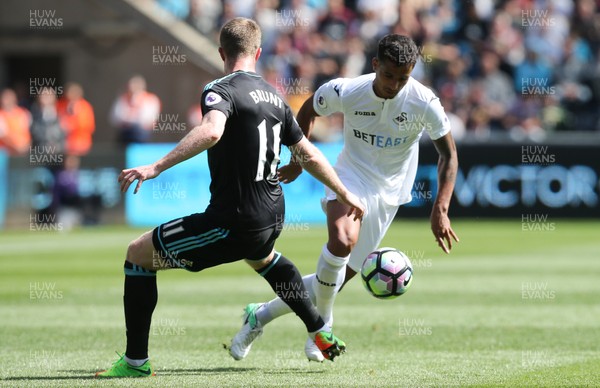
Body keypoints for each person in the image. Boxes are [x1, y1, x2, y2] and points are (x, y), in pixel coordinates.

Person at [96, 17, 364, 378]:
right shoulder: (275, 96)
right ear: (258, 52)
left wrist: (156, 166)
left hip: (234, 219)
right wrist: (345, 193)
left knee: (137, 256)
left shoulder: (218, 90)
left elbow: (210, 132)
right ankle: (319, 330)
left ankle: (135, 363)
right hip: (273, 213)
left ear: (221, 52)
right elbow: (310, 154)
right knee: (263, 257)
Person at [230, 34, 459, 362]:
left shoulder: (424, 102)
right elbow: (308, 109)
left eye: (403, 78)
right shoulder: (347, 90)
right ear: (376, 64)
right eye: (389, 75)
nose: (395, 85)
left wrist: (441, 208)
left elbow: (449, 155)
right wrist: (298, 158)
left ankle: (260, 315)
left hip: (390, 192)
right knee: (341, 239)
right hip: (350, 176)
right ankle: (320, 330)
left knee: (332, 280)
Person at [109, 75, 161, 145]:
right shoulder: (123, 98)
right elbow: (115, 117)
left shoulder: (150, 99)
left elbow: (147, 120)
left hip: (142, 134)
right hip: (125, 132)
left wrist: (133, 114)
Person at [57, 82, 95, 157]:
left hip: (81, 144)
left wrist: (73, 123)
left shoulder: (85, 106)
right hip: (64, 144)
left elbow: (89, 126)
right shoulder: (60, 104)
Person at [0, 88, 31, 156]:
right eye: (5, 98)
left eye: (9, 98)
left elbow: (28, 132)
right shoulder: (1, 114)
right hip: (5, 153)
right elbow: (3, 136)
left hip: (24, 151)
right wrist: (17, 147)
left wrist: (25, 146)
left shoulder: (24, 113)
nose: (7, 101)